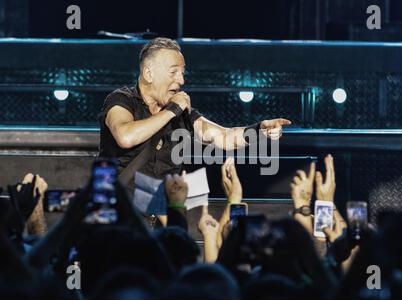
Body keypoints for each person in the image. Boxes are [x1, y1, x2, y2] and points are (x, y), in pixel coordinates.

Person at [98, 37, 291, 194]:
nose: (181, 80)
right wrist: (171, 111)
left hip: (160, 219)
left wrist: (260, 131)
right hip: (119, 216)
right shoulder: (121, 100)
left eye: (182, 73)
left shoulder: (180, 111)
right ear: (148, 73)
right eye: (173, 72)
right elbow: (125, 136)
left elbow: (224, 138)